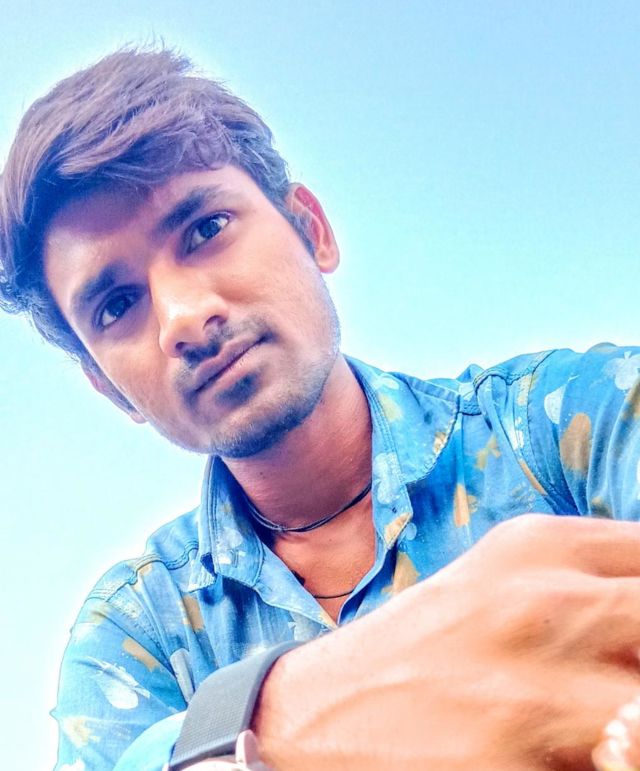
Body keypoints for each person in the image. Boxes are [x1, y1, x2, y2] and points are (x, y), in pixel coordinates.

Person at [2, 46, 640, 771]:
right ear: (109, 387)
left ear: (313, 231)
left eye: (206, 229)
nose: (183, 316)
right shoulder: (136, 631)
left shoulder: (565, 421)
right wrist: (288, 713)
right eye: (117, 305)